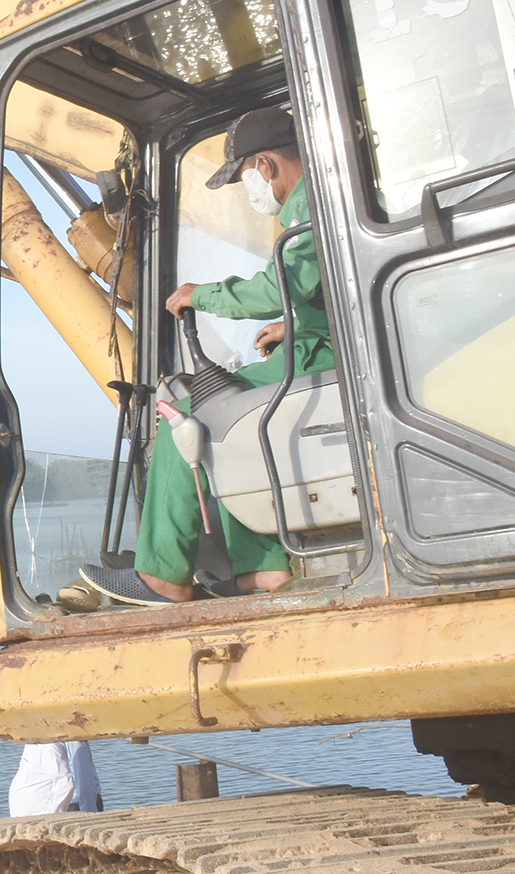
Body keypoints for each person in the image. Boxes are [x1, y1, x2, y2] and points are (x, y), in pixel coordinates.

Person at [83, 105, 336, 607]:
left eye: (244, 177)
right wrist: (296, 324)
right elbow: (324, 286)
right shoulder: (322, 199)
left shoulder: (309, 207)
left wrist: (200, 295)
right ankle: (264, 571)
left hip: (325, 361)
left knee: (191, 416)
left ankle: (163, 579)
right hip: (320, 346)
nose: (250, 189)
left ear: (264, 165)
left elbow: (275, 287)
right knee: (235, 415)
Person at [7, 741, 102, 816]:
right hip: (62, 807)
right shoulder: (37, 744)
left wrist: (89, 812)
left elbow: (81, 777)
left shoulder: (52, 747)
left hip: (74, 806)